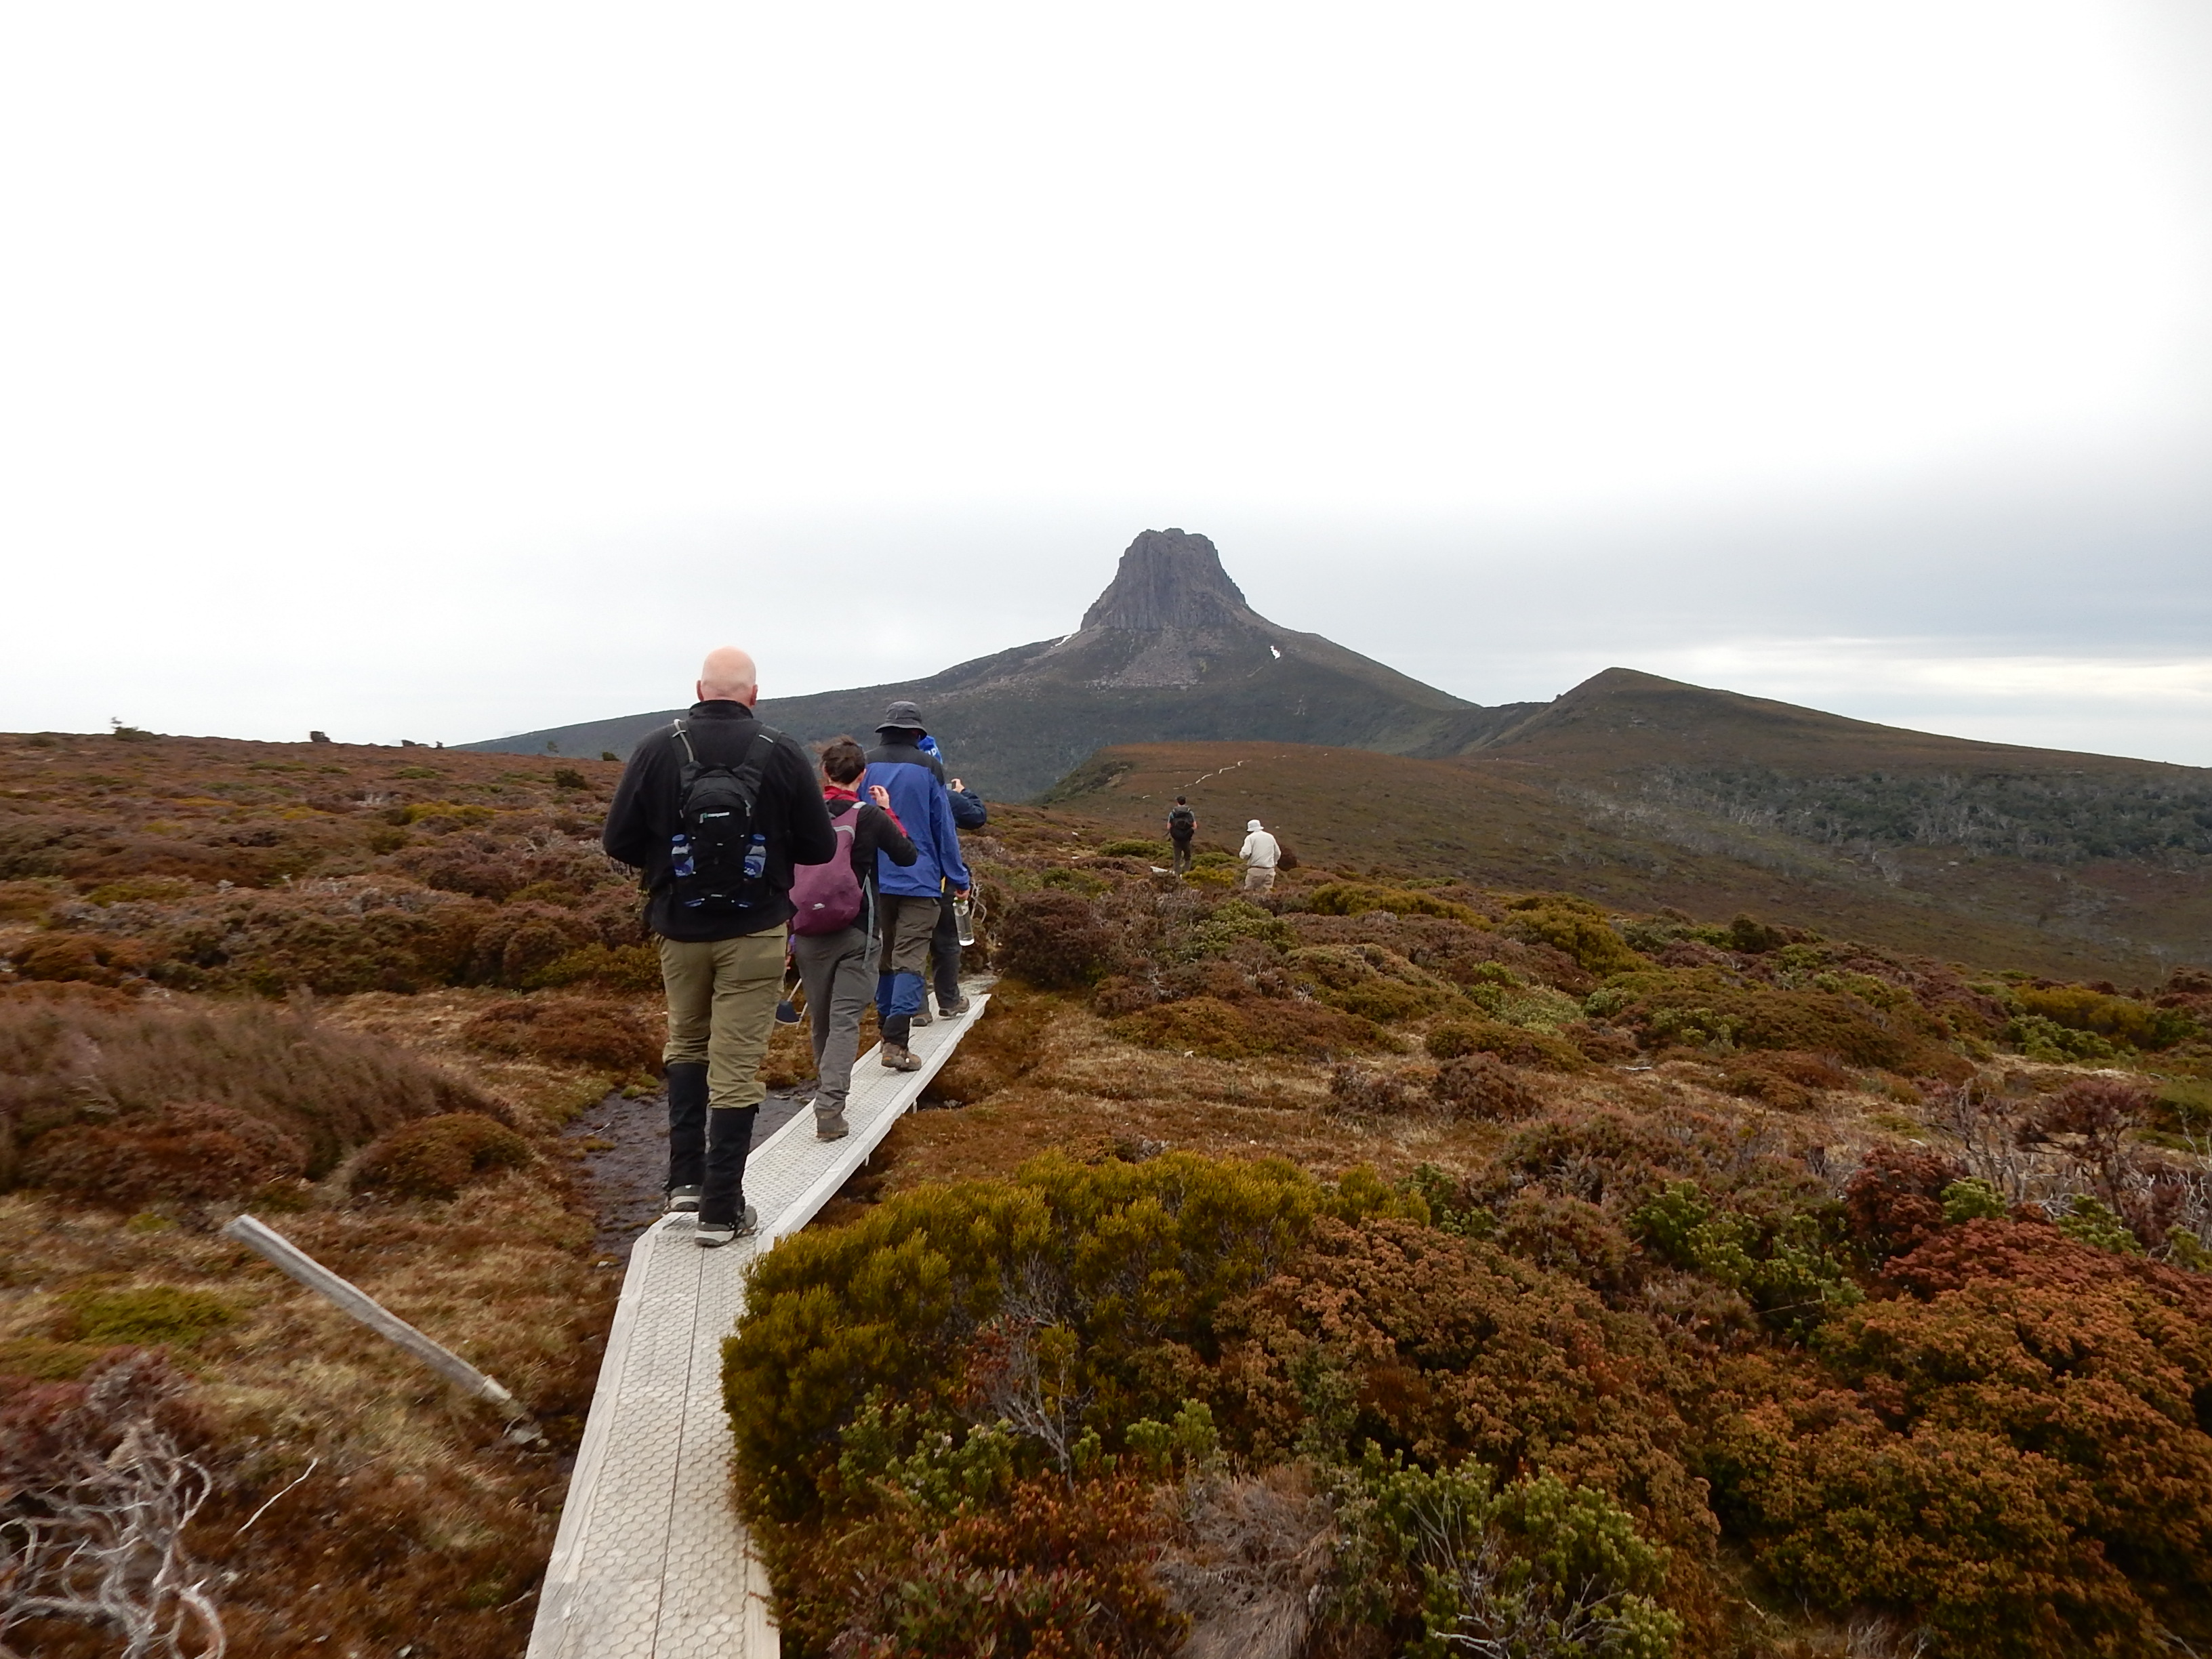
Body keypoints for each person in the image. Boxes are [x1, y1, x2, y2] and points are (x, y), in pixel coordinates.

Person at [603, 647, 836, 1247]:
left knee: (686, 1039)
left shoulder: (657, 747)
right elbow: (816, 847)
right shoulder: (781, 750)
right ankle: (721, 1208)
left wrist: (671, 865)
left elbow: (618, 839)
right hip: (755, 931)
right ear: (753, 696)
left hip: (678, 927)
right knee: (737, 1061)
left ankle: (683, 1181)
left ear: (700, 690)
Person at [789, 738, 915, 1140]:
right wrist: (888, 811)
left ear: (823, 771)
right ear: (862, 777)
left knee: (822, 1021)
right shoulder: (870, 817)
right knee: (844, 1022)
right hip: (858, 932)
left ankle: (826, 1097)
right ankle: (829, 1110)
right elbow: (907, 856)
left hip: (807, 932)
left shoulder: (798, 815)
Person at [863, 701, 972, 1070]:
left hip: (875, 880)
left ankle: (885, 1033)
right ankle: (895, 1041)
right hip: (920, 879)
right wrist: (959, 878)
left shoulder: (864, 764)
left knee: (885, 958)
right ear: (917, 733)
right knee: (909, 959)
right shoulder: (929, 767)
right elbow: (943, 827)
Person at [914, 769, 986, 1026]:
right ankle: (949, 1001)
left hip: (900, 882)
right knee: (946, 942)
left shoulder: (888, 791)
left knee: (910, 947)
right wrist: (963, 793)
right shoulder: (943, 795)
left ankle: (918, 1009)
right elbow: (977, 817)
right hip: (939, 880)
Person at [1240, 817, 1282, 893]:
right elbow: (1278, 853)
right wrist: (1274, 863)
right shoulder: (1270, 837)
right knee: (1266, 895)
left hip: (1255, 870)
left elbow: (1246, 853)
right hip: (1270, 871)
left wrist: (1242, 857)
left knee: (1249, 893)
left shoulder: (1250, 838)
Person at [1166, 797, 1197, 876]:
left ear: (1178, 802)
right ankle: (1186, 874)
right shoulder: (1190, 813)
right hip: (1187, 839)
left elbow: (1168, 827)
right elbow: (1195, 826)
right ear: (1185, 802)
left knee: (1177, 858)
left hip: (1176, 839)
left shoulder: (1173, 813)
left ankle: (1177, 875)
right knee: (1188, 857)